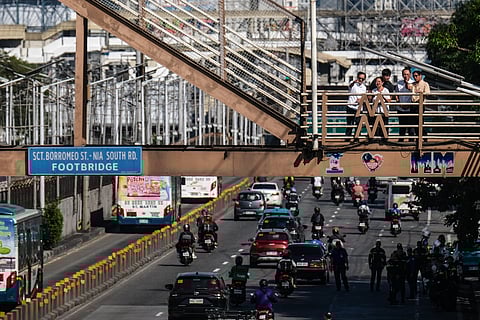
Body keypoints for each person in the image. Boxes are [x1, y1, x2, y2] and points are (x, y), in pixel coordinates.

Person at [395, 67, 415, 141]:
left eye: (407, 74)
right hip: (401, 108)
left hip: (410, 108)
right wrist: (398, 102)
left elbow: (414, 96)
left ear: (410, 75)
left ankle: (411, 141)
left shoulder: (413, 83)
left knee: (411, 126)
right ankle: (401, 140)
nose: (405, 76)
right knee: (402, 126)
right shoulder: (399, 83)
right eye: (404, 74)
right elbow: (396, 93)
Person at [346, 72, 367, 138]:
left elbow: (364, 97)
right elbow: (350, 86)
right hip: (350, 106)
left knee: (358, 124)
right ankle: (347, 137)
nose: (361, 80)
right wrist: (354, 82)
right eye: (359, 78)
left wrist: (361, 100)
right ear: (357, 77)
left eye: (362, 79)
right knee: (350, 123)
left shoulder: (364, 87)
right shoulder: (353, 84)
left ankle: (356, 137)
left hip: (359, 107)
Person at [411, 70, 430, 139]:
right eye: (414, 76)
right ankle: (418, 137)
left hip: (421, 105)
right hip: (413, 104)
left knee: (420, 122)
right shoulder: (413, 84)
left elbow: (428, 93)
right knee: (414, 122)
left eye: (416, 76)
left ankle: (423, 137)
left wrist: (421, 92)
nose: (415, 77)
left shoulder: (425, 84)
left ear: (420, 76)